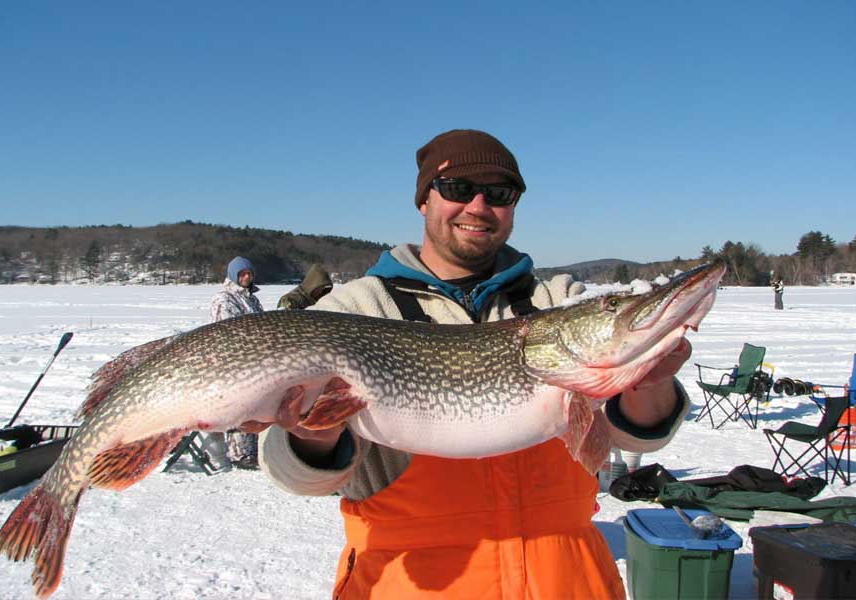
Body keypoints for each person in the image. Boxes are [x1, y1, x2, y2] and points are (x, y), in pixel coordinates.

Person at [257, 129, 692, 598]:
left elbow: (631, 436)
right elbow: (291, 474)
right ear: (424, 200)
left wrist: (649, 383)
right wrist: (315, 434)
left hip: (565, 580)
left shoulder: (555, 303)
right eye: (458, 189)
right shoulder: (353, 311)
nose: (479, 206)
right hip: (410, 585)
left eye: (499, 193)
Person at [207, 256, 264, 469]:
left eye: (249, 274)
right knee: (239, 406)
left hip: (255, 361)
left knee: (256, 404)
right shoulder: (224, 299)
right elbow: (227, 331)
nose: (247, 277)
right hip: (232, 363)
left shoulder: (251, 298)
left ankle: (253, 449)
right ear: (233, 275)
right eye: (242, 274)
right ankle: (239, 453)